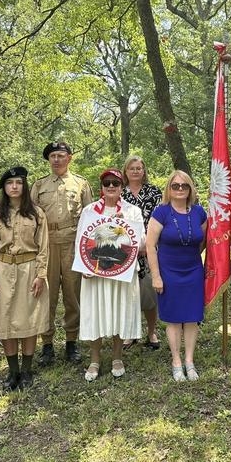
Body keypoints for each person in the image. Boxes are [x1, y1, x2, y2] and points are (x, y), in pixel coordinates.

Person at [0, 167, 49, 391]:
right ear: (4, 187)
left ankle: (27, 370)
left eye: (18, 183)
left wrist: (41, 275)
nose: (14, 186)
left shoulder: (36, 214)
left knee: (29, 319)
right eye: (10, 183)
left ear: (24, 186)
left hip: (29, 268)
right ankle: (13, 371)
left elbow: (43, 247)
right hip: (3, 268)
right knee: (6, 319)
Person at [78, 168, 144, 381]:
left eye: (115, 183)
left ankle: (117, 356)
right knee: (95, 312)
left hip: (121, 270)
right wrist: (84, 268)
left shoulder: (132, 211)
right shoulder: (89, 211)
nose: (111, 187)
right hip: (95, 270)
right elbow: (80, 242)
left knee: (119, 310)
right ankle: (95, 359)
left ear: (121, 185)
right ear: (102, 187)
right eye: (107, 183)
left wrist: (123, 226)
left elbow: (141, 243)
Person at [30, 142, 93, 366]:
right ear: (49, 160)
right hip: (46, 244)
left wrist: (87, 252)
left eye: (61, 155)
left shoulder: (81, 184)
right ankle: (46, 344)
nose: (56, 160)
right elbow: (31, 219)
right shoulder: (39, 185)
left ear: (70, 158)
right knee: (47, 295)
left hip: (72, 244)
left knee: (72, 294)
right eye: (53, 156)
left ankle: (71, 342)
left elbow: (90, 218)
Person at [146, 170, 207, 382]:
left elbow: (202, 240)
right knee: (173, 318)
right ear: (169, 189)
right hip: (168, 272)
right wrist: (156, 276)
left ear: (190, 189)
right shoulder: (161, 212)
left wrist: (192, 260)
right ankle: (176, 361)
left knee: (192, 317)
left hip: (193, 270)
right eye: (175, 186)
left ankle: (189, 361)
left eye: (184, 186)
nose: (180, 189)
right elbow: (150, 246)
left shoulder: (199, 212)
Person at [121, 155, 163, 350]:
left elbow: (162, 219)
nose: (136, 171)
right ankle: (129, 332)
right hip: (124, 252)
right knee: (128, 293)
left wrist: (148, 246)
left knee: (149, 293)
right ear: (126, 171)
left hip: (150, 250)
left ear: (144, 171)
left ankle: (151, 331)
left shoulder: (154, 192)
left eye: (139, 168)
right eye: (132, 168)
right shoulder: (119, 193)